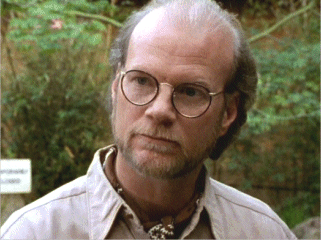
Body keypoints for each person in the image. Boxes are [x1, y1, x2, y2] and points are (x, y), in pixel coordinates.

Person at [1, 0, 297, 239]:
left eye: (190, 91)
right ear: (116, 86)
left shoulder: (262, 231)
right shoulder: (35, 232)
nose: (160, 110)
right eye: (141, 81)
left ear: (228, 113)